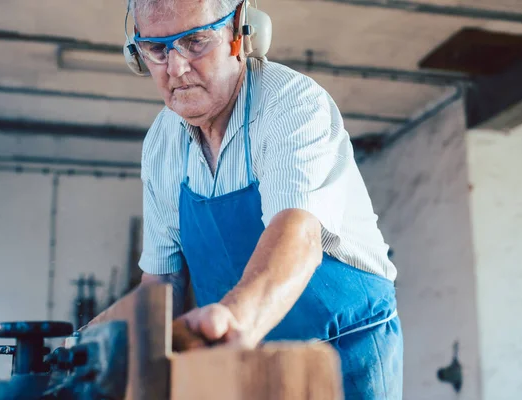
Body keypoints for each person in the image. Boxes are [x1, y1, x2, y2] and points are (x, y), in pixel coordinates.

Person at [131, 0, 403, 397]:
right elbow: (162, 278)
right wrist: (129, 349)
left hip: (346, 352)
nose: (175, 68)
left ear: (240, 32)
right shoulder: (161, 142)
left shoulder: (291, 103)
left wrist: (236, 320)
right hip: (237, 355)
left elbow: (298, 233)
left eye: (194, 41)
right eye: (157, 49)